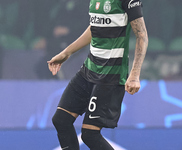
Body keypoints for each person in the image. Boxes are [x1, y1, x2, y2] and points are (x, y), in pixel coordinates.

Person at [48, 0, 148, 149]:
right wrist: (67, 52)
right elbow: (94, 28)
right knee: (61, 120)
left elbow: (141, 34)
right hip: (89, 69)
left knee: (90, 134)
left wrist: (134, 74)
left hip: (111, 74)